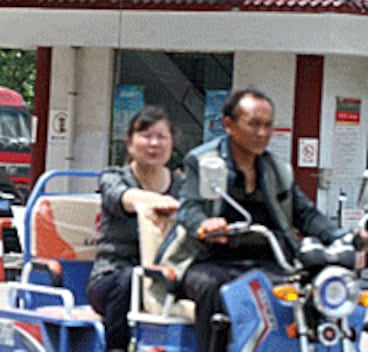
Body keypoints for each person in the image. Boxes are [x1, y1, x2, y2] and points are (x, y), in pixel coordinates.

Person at [156, 88, 347, 352]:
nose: (262, 133)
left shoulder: (277, 170)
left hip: (267, 261)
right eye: (254, 124)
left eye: (268, 125)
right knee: (214, 288)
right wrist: (205, 225)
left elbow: (305, 214)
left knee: (314, 287)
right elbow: (189, 208)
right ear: (229, 125)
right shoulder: (203, 161)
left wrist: (341, 237)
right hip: (209, 259)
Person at [86, 106, 182, 352]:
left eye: (161, 137)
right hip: (113, 276)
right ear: (130, 143)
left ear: (171, 144)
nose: (154, 144)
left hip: (168, 276)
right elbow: (123, 198)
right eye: (146, 136)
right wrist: (153, 203)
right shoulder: (113, 178)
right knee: (130, 279)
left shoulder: (183, 185)